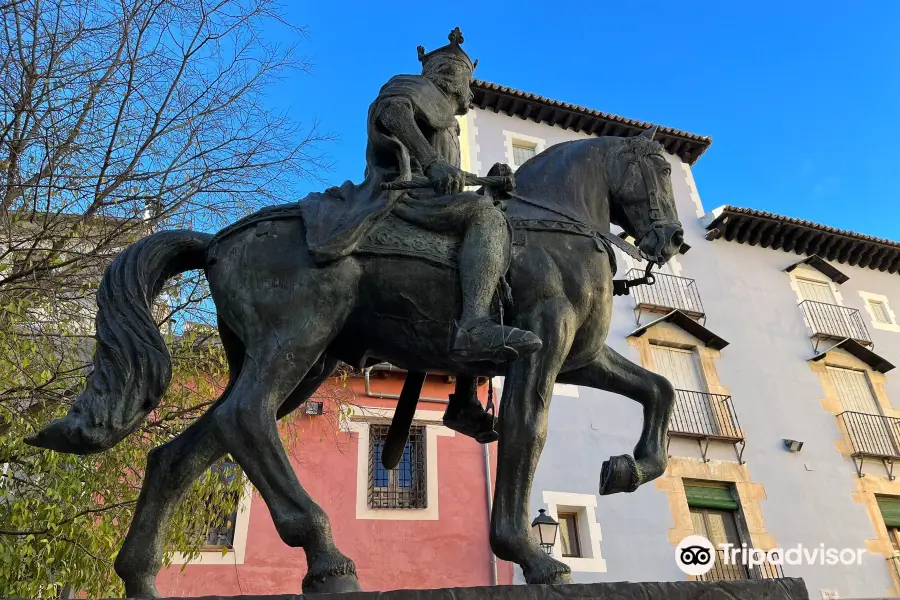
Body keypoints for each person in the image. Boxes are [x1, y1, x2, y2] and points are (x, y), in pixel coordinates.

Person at [300, 28, 533, 441]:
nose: (470, 93)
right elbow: (392, 115)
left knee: (489, 225)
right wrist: (432, 162)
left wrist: (487, 186)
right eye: (467, 81)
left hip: (432, 203)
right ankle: (474, 327)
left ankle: (464, 396)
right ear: (447, 73)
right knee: (487, 219)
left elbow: (449, 188)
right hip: (400, 197)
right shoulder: (412, 86)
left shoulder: (448, 120)